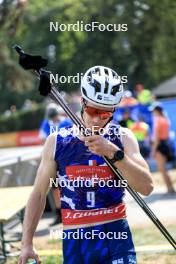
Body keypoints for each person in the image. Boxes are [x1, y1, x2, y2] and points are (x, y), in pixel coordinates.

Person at [18, 66, 154, 264]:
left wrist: (113, 153)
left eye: (106, 114)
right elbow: (39, 193)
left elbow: (147, 187)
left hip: (116, 237)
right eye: (93, 110)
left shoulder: (123, 137)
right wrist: (27, 243)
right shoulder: (57, 141)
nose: (98, 119)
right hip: (76, 239)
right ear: (82, 101)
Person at [40, 103, 72, 226]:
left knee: (71, 184)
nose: (53, 119)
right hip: (54, 161)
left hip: (68, 160)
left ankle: (72, 210)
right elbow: (43, 140)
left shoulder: (67, 122)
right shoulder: (46, 124)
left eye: (54, 116)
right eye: (52, 116)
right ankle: (60, 213)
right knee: (55, 187)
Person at [151, 104, 175, 194]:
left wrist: (153, 150)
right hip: (165, 144)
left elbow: (156, 138)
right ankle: (170, 187)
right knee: (164, 169)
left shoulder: (158, 121)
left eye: (154, 111)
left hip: (160, 145)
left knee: (162, 169)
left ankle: (170, 188)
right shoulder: (165, 119)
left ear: (157, 111)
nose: (153, 113)